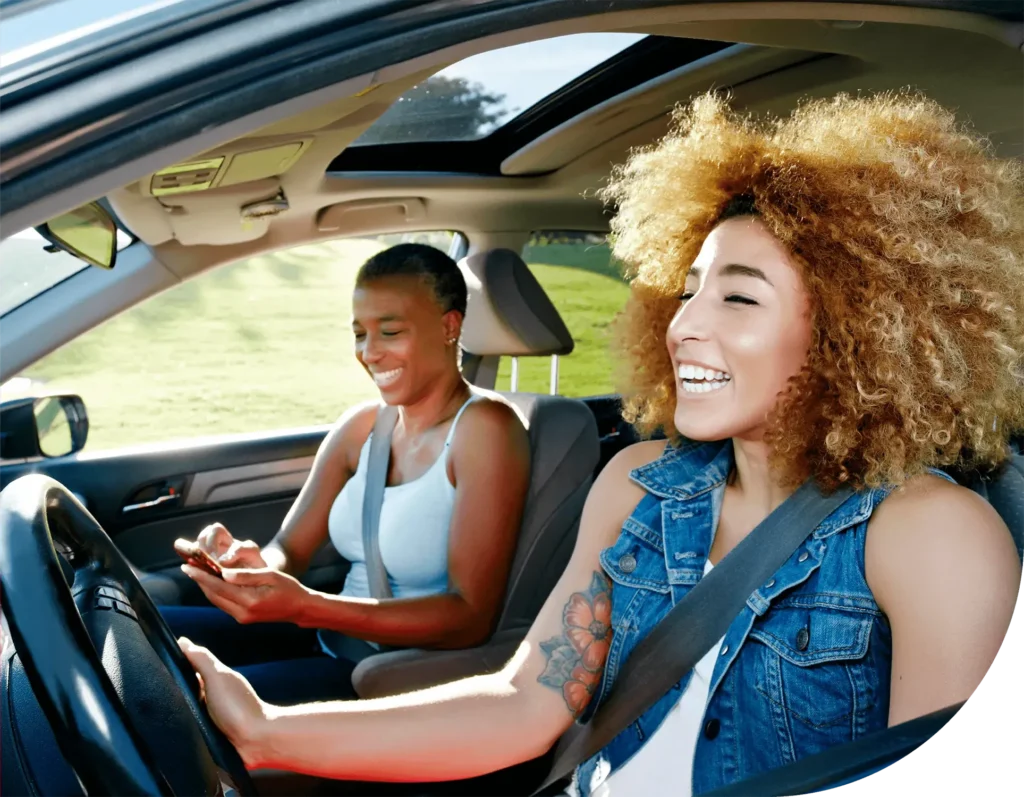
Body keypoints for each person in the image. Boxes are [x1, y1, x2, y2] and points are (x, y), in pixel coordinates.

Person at [177, 91, 1023, 795]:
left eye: (738, 298)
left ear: (858, 330)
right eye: (686, 291)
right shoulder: (637, 485)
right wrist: (270, 732)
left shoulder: (931, 536)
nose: (685, 326)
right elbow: (523, 704)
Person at [163, 242, 532, 706]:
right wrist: (252, 564)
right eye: (360, 334)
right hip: (326, 639)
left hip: (396, 677)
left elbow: (468, 617)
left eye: (391, 331)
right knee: (139, 630)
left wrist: (306, 606)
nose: (370, 353)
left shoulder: (486, 429)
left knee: (177, 703)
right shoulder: (361, 427)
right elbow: (290, 550)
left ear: (448, 326)